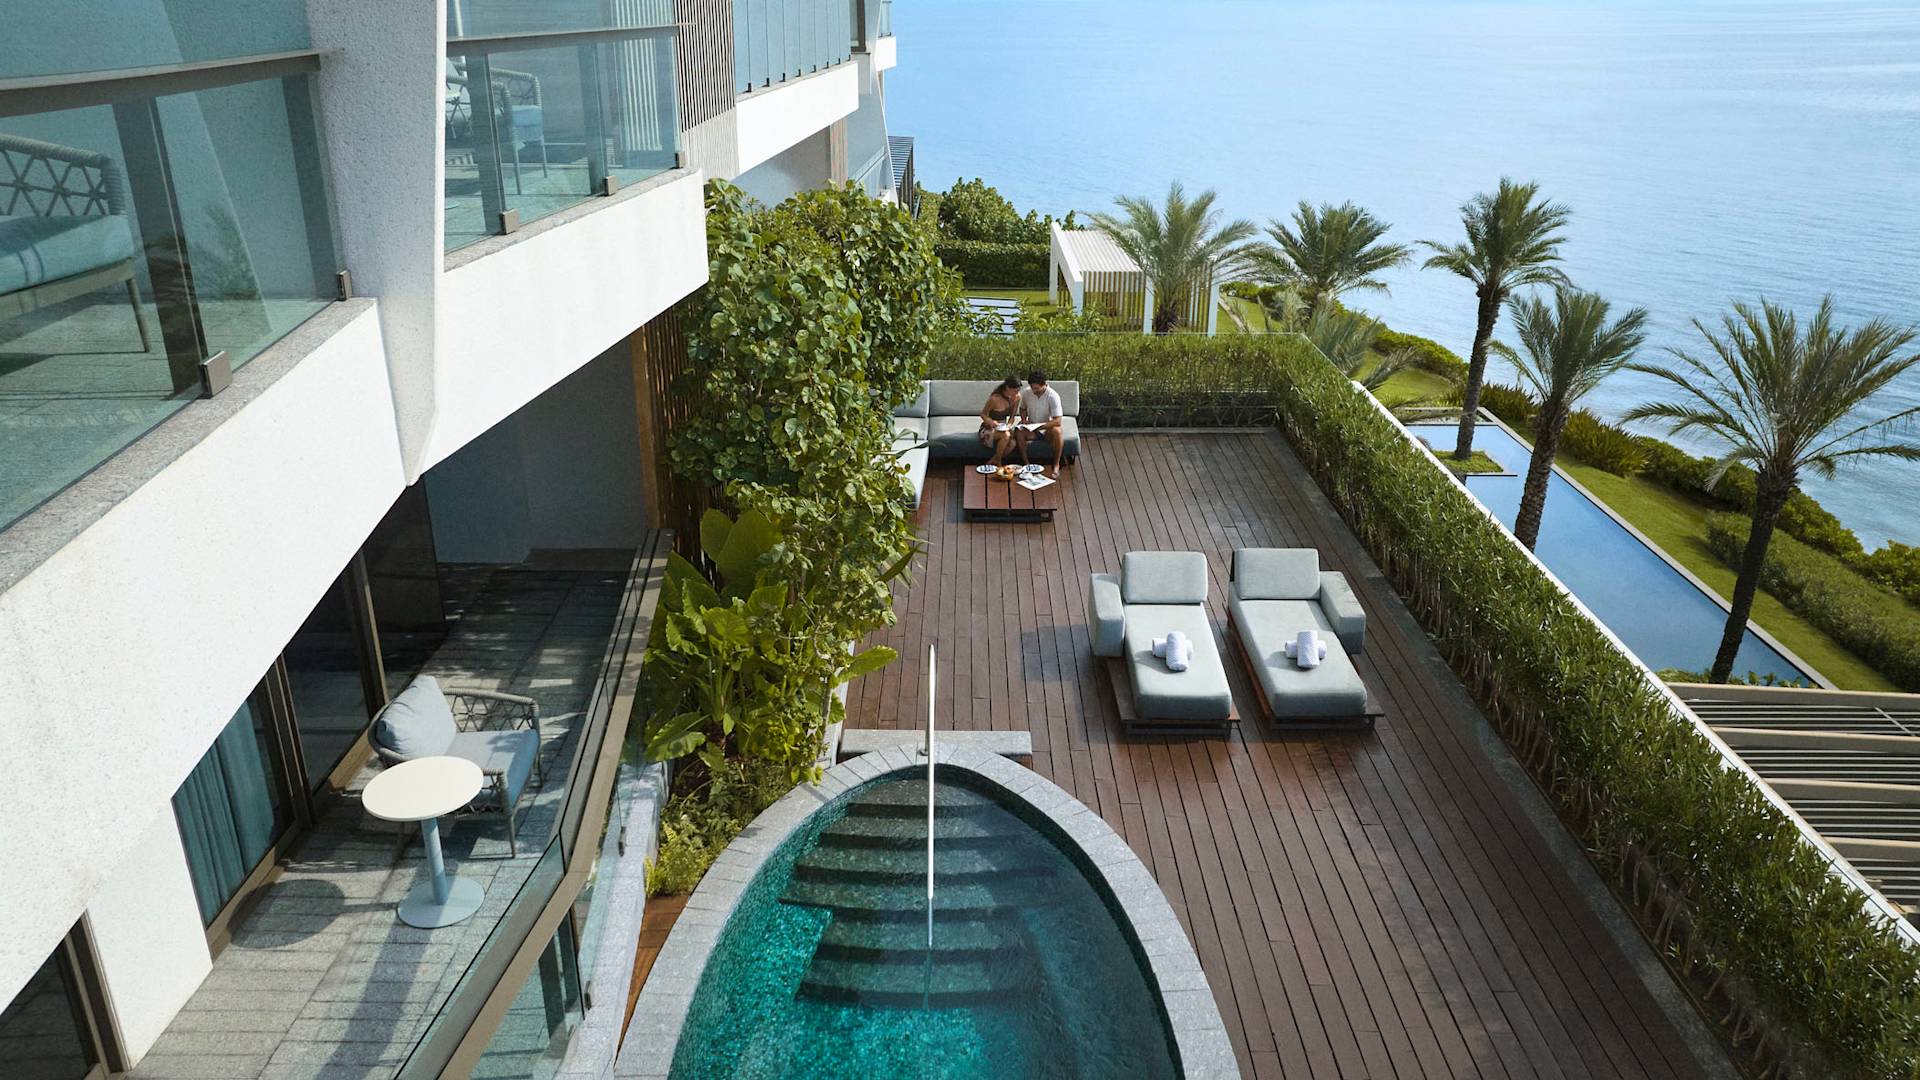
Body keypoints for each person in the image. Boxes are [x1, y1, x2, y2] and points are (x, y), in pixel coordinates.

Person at [1017, 370, 1067, 478]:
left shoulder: (1053, 396)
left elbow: (1058, 421)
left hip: (1047, 429)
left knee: (1057, 431)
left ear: (1044, 384)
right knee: (1019, 432)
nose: (1034, 391)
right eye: (1032, 388)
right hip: (1031, 428)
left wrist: (1041, 426)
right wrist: (1023, 419)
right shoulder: (1027, 393)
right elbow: (1022, 409)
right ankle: (1026, 464)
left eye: (1037, 389)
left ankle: (1056, 464)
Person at [977, 376, 1022, 466]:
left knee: (1013, 443)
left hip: (1003, 427)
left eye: (1018, 390)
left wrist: (1008, 425)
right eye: (1015, 391)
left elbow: (1012, 417)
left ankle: (993, 460)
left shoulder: (1017, 397)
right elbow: (983, 414)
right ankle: (998, 463)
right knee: (1006, 435)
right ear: (1007, 388)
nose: (1017, 393)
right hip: (988, 428)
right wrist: (990, 421)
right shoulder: (995, 398)